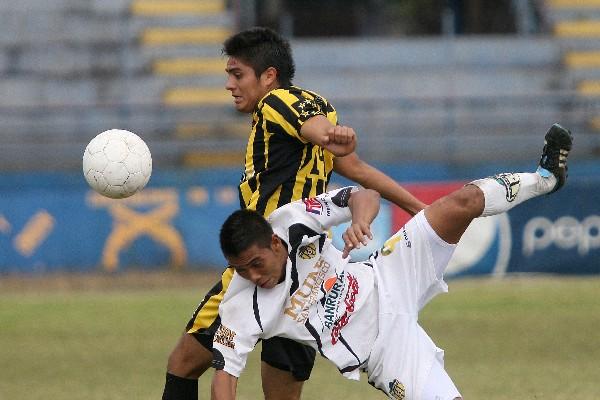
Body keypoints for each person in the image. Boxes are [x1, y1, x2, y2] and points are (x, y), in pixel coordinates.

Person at [210, 124, 573, 400]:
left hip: (390, 273)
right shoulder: (240, 306)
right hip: (383, 348)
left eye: (256, 263)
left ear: (274, 242)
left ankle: (545, 179)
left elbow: (363, 195)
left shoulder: (290, 222)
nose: (252, 276)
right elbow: (225, 375)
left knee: (462, 201)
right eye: (241, 270)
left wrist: (360, 220)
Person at [162, 27, 426, 400]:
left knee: (183, 365)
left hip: (268, 256)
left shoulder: (278, 102)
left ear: (268, 76)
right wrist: (422, 210)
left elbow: (317, 130)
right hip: (309, 276)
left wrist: (330, 135)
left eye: (237, 74)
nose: (229, 84)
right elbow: (359, 170)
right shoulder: (288, 120)